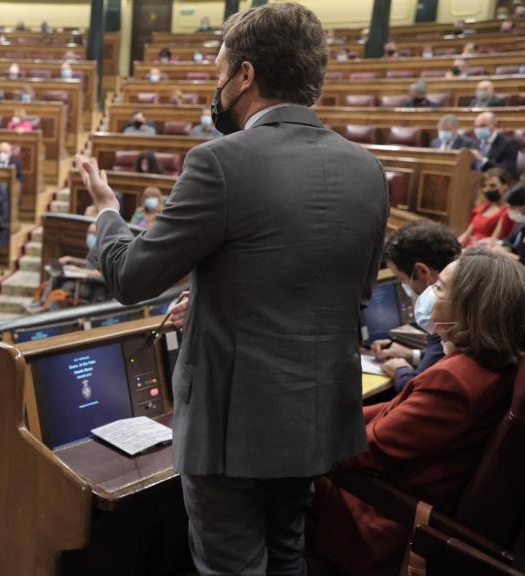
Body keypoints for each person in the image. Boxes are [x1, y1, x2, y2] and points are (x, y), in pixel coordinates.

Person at [77, 4, 389, 574]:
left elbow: (129, 276)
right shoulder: (367, 168)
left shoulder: (220, 163)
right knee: (287, 554)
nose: (214, 87)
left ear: (245, 75)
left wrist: (106, 211)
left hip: (231, 428)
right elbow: (351, 291)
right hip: (315, 417)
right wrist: (219, 294)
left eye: (218, 71)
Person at [314, 247, 525, 575]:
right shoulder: (487, 366)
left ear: (470, 307)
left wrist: (311, 433)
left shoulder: (455, 380)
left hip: (385, 517)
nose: (429, 294)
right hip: (404, 493)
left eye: (439, 288)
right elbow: (393, 410)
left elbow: (367, 450)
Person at [369, 221, 462, 391]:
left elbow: (419, 393)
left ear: (422, 271)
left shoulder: (445, 318)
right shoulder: (468, 296)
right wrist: (412, 355)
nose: (405, 287)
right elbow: (441, 356)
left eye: (403, 279)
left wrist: (400, 371)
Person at [459, 167, 514, 247]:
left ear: (505, 186)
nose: (487, 189)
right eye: (485, 185)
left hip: (483, 252)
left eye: (493, 186)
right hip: (469, 247)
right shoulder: (483, 207)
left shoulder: (506, 212)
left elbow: (492, 242)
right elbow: (467, 234)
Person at [478, 183, 525, 265]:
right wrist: (496, 242)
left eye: (512, 207)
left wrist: (505, 254)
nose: (509, 211)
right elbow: (511, 241)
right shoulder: (521, 223)